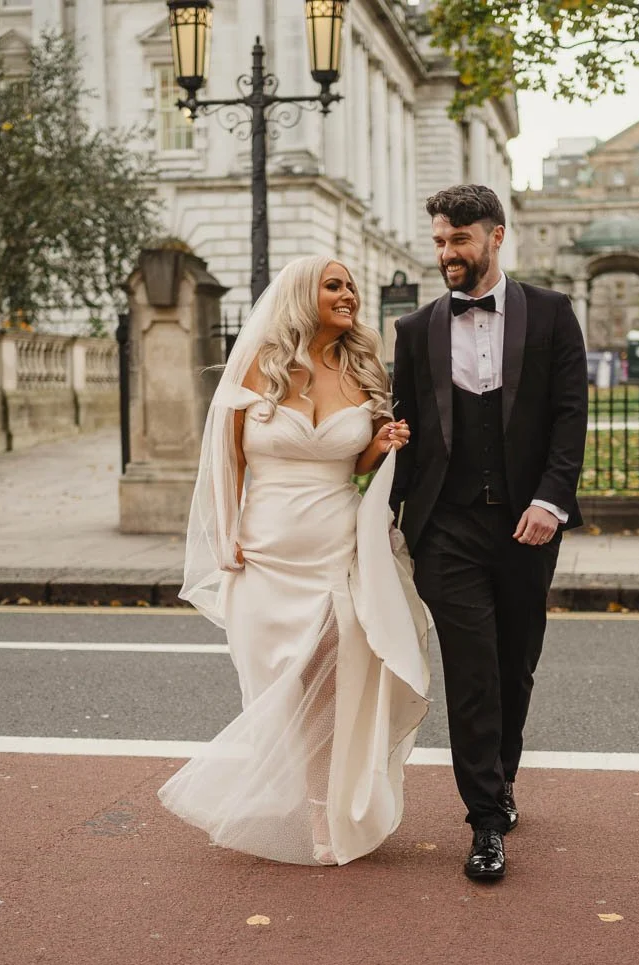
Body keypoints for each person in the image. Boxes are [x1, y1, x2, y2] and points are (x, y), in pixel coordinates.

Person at [159, 256, 431, 867]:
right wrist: (225, 538)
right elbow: (227, 461)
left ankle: (323, 816)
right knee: (278, 688)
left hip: (337, 550)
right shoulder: (259, 365)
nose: (349, 295)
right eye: (334, 285)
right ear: (302, 296)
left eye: (351, 286)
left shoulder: (364, 369)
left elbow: (358, 470)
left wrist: (379, 448)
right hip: (264, 552)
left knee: (333, 686)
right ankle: (292, 793)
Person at [390, 185, 587, 881]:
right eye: (440, 241)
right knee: (472, 673)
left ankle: (501, 778)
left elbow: (570, 415)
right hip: (445, 527)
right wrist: (382, 511)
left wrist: (550, 500)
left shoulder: (554, 314)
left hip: (527, 524)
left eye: (459, 241)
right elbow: (406, 436)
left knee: (515, 664)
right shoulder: (414, 331)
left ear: (496, 237)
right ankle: (482, 822)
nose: (447, 253)